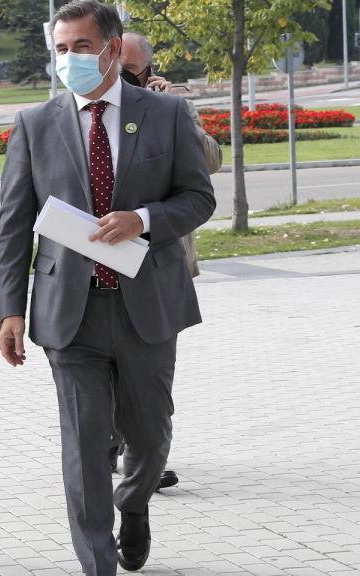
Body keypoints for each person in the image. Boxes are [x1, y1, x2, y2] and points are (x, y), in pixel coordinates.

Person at [0, 1, 215, 574]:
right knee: (85, 444)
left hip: (147, 305)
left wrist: (143, 219)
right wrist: (9, 311)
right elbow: (14, 225)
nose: (69, 59)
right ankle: (98, 563)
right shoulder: (34, 124)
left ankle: (134, 503)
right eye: (61, 49)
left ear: (113, 50)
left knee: (149, 435)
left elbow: (199, 198)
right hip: (71, 313)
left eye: (82, 47)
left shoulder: (167, 113)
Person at [109, 31, 226, 490]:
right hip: (100, 260)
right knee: (107, 367)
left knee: (150, 373)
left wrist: (175, 111)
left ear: (150, 71)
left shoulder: (171, 108)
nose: (121, 76)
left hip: (157, 259)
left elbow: (210, 163)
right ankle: (112, 450)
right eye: (115, 64)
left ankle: (144, 458)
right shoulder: (92, 107)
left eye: (130, 69)